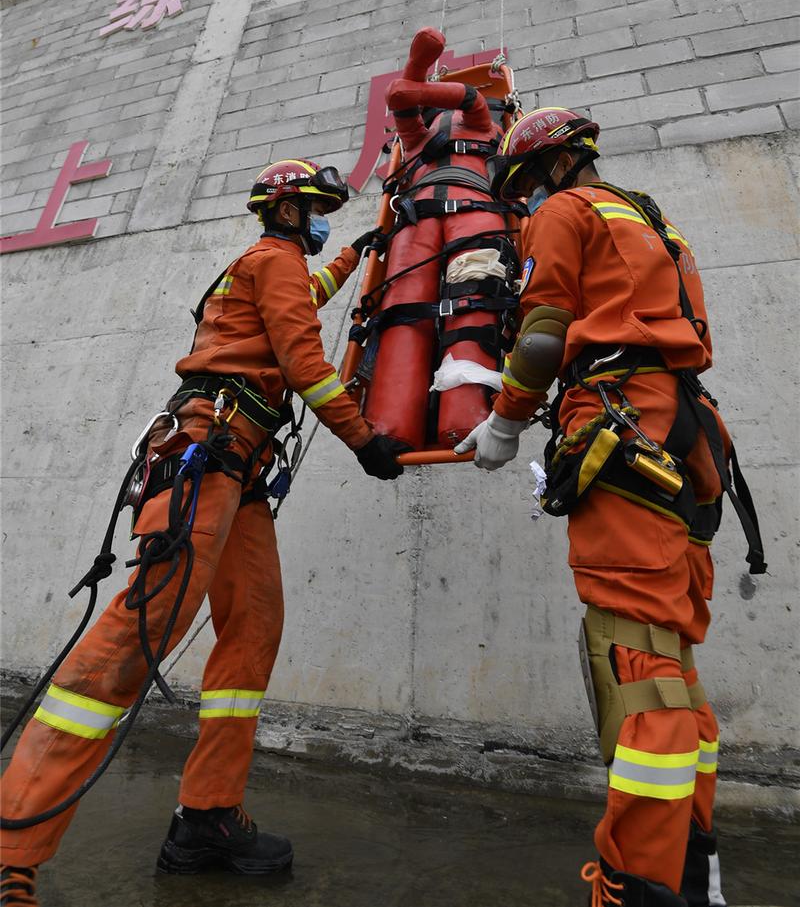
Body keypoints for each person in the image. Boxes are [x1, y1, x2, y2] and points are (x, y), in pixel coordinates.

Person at [0, 158, 405, 906]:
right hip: (207, 456)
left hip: (237, 470)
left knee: (253, 626)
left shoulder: (264, 266)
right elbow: (305, 362)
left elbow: (305, 299)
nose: (320, 221)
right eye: (316, 209)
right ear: (287, 211)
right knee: (140, 628)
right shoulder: (273, 260)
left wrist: (361, 251)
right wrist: (363, 438)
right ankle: (11, 848)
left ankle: (207, 817)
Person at [456, 110, 765, 907]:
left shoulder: (567, 212)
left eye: (522, 189)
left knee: (634, 665)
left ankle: (640, 885)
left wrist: (504, 421)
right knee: (673, 662)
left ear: (550, 171)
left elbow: (542, 336)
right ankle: (697, 879)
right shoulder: (656, 221)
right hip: (686, 441)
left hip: (623, 427)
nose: (524, 206)